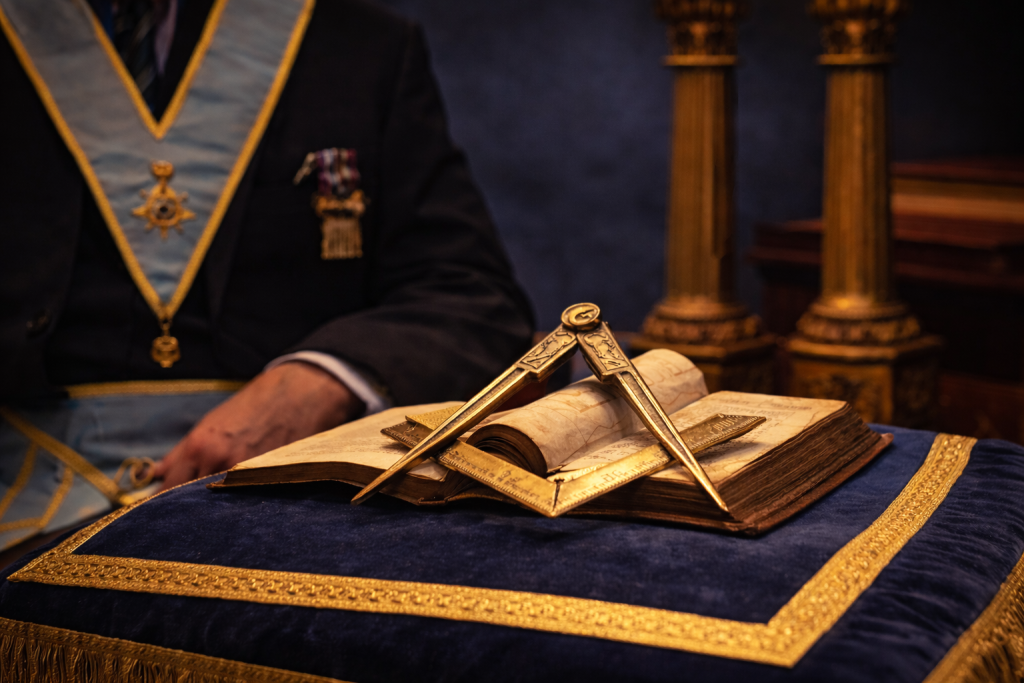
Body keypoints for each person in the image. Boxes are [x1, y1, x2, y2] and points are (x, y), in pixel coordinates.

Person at [0, 0, 533, 553]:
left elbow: (476, 301)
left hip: (299, 505)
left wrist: (326, 377)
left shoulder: (360, 48)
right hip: (24, 505)